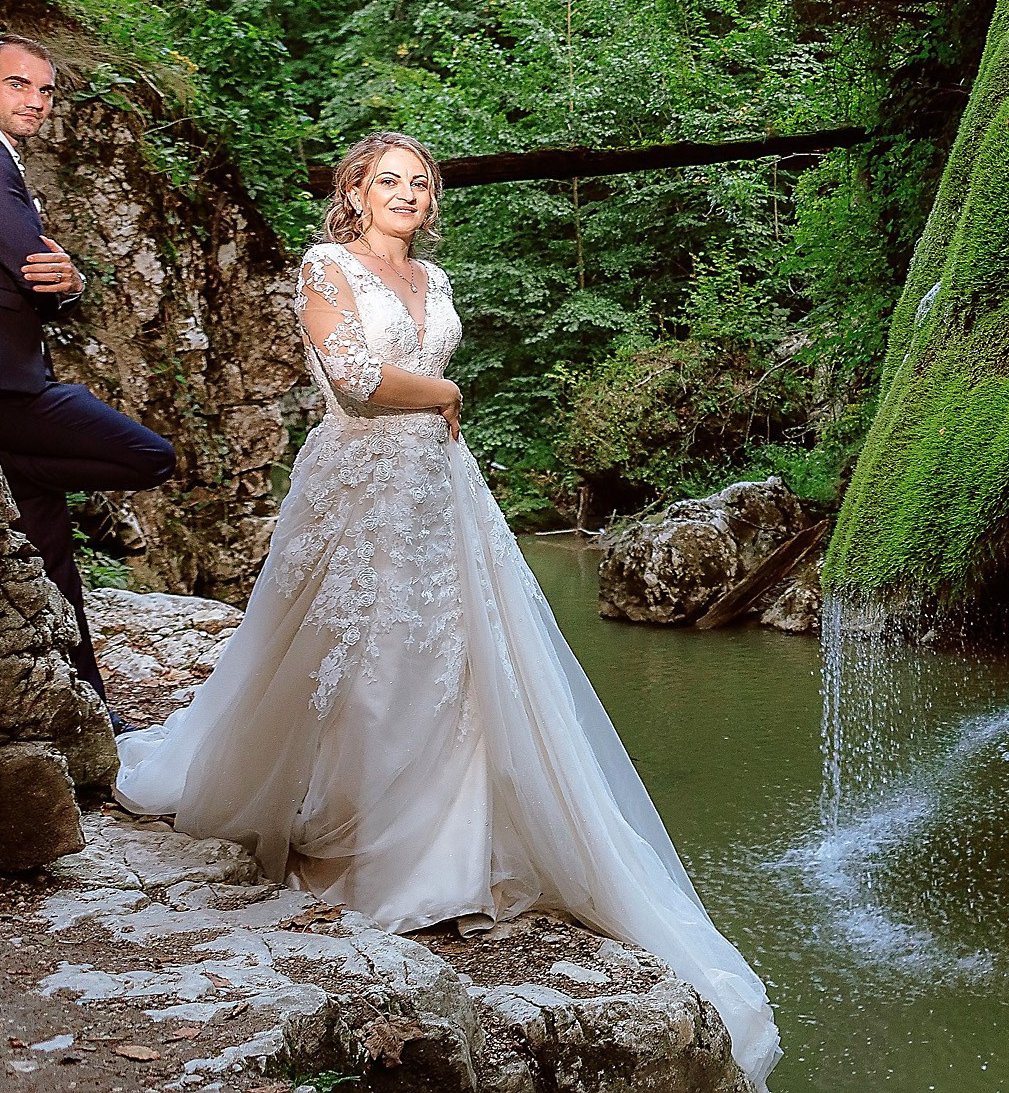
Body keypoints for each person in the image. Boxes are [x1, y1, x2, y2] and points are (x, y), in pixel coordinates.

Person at [111, 132, 778, 1087]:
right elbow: (352, 377)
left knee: (457, 661)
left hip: (438, 492)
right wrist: (447, 388)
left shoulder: (439, 278)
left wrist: (436, 406)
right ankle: (358, 849)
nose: (408, 194)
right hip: (357, 486)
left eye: (421, 183)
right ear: (353, 190)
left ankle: (456, 847)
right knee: (360, 659)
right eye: (389, 180)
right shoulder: (325, 266)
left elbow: (410, 388)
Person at [0, 35, 177, 710]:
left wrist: (69, 278)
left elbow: (34, 274)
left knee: (54, 561)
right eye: (19, 84)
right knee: (150, 455)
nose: (37, 99)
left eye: (46, 89)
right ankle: (30, 468)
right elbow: (37, 269)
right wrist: (72, 280)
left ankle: (84, 703)